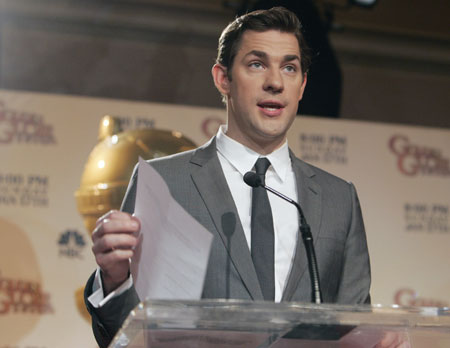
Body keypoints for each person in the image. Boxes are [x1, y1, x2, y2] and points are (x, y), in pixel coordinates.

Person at [84, 7, 371, 348]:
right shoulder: (164, 183)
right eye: (256, 64)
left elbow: (357, 326)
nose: (275, 82)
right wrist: (115, 280)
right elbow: (124, 337)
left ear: (302, 85)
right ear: (223, 78)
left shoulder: (339, 199)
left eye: (289, 68)